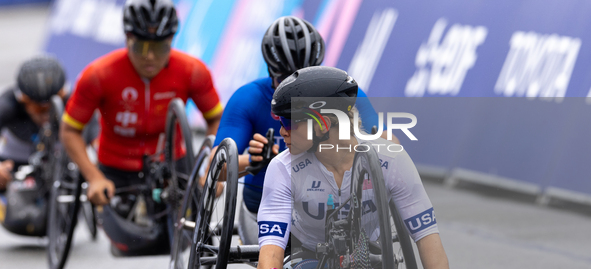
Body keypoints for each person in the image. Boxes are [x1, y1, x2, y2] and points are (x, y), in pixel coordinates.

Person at [251, 66, 454, 269]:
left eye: (289, 121)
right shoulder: (282, 168)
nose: (281, 131)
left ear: (321, 124)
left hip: (366, 262)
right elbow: (271, 248)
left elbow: (426, 234)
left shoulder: (390, 160)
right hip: (306, 260)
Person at [212, 16, 387, 245]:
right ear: (271, 72)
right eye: (286, 79)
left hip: (335, 209)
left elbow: (387, 143)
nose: (295, 90)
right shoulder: (248, 98)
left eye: (307, 77)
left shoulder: (340, 92)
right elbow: (214, 171)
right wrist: (254, 161)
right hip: (266, 210)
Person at [60, 0, 223, 211]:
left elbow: (216, 119)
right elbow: (70, 130)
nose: (150, 56)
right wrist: (94, 177)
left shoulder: (193, 71)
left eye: (159, 47)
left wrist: (213, 169)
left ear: (172, 40)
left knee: (195, 220)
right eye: (141, 46)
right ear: (128, 39)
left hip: (172, 164)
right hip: (116, 167)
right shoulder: (98, 75)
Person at [0, 56, 66, 191]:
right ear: (23, 99)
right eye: (39, 109)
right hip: (14, 164)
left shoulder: (72, 102)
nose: (46, 115)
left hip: (60, 166)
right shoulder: (7, 105)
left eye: (51, 107)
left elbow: (96, 139)